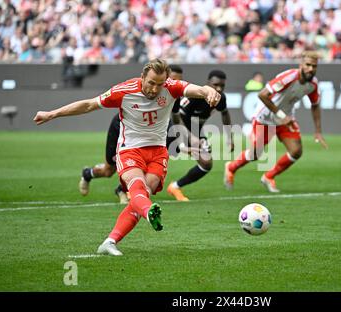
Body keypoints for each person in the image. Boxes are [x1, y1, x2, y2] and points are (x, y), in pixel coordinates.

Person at [33, 59, 221, 256]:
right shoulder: (124, 91)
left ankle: (110, 241)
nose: (155, 89)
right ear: (142, 77)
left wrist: (209, 91)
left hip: (158, 152)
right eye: (151, 83)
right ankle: (149, 212)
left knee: (141, 195)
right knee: (137, 188)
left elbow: (198, 90)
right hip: (130, 150)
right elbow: (89, 105)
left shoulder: (171, 87)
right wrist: (52, 114)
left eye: (159, 84)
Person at [78, 65, 185, 205]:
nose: (175, 83)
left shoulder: (172, 94)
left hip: (149, 136)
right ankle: (88, 173)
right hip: (122, 128)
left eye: (178, 80)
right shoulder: (135, 90)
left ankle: (125, 192)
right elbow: (91, 104)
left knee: (145, 169)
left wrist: (180, 141)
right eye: (173, 79)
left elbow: (174, 118)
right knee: (109, 170)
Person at [224, 51, 328, 193]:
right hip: (265, 118)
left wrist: (318, 131)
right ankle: (231, 167)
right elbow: (263, 95)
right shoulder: (289, 77)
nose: (311, 69)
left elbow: (315, 105)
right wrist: (280, 115)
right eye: (308, 65)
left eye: (314, 66)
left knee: (296, 151)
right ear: (301, 65)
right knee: (256, 154)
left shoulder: (313, 85)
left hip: (285, 120)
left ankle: (269, 176)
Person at [167, 70, 234, 201]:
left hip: (195, 131)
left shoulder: (221, 98)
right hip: (174, 130)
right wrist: (191, 136)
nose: (219, 88)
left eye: (222, 86)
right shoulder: (195, 95)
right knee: (153, 160)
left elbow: (225, 114)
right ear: (208, 83)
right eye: (215, 85)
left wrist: (229, 137)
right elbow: (177, 117)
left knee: (206, 163)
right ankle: (126, 189)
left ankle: (175, 187)